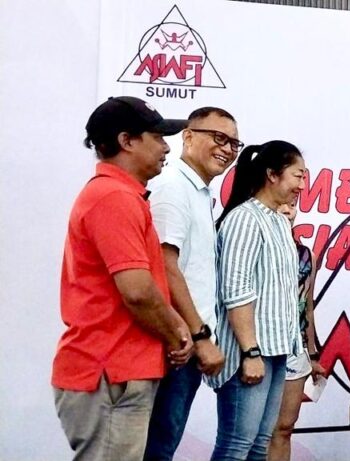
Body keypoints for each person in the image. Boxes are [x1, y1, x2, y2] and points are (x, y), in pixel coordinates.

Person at [52, 96, 193, 461]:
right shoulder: (114, 197)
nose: (166, 147)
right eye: (157, 137)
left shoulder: (120, 195)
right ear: (126, 141)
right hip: (111, 371)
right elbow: (137, 292)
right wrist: (176, 334)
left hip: (116, 371)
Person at [143, 106, 239, 460]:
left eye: (234, 143)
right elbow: (165, 266)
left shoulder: (197, 191)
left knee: (161, 446)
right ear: (187, 137)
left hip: (184, 344)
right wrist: (198, 337)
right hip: (174, 344)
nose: (227, 149)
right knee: (155, 449)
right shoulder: (172, 186)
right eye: (219, 138)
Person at [208, 141, 306, 460]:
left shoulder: (277, 220)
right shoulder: (244, 219)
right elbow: (235, 291)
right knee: (236, 445)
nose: (301, 186)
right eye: (297, 176)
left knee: (260, 444)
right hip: (250, 352)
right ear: (272, 175)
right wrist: (250, 352)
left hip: (276, 351)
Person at [268, 201, 328, 460]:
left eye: (292, 205)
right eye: (280, 204)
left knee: (284, 427)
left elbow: (308, 307)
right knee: (255, 431)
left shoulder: (307, 255)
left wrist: (312, 355)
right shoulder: (252, 244)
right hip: (259, 349)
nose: (286, 210)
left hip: (295, 351)